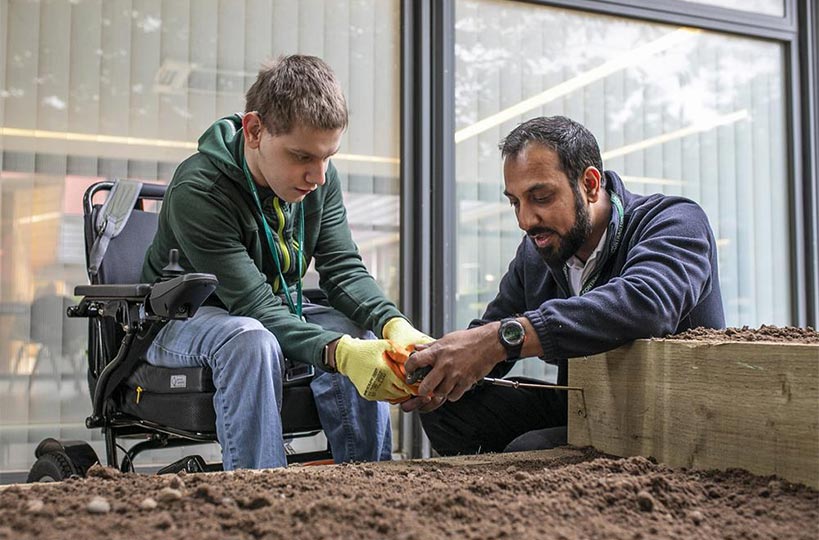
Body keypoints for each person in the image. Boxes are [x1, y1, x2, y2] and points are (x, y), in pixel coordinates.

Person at [141, 55, 431, 470]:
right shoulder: (199, 190)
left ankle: (368, 484)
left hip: (269, 311)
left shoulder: (320, 181)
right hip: (181, 319)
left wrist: (393, 325)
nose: (318, 175)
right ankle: (262, 497)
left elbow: (343, 269)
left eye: (327, 157)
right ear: (255, 130)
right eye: (302, 157)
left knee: (358, 332)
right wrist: (340, 355)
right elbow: (253, 308)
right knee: (249, 340)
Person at [403, 115, 725, 455]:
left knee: (528, 449)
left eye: (540, 197)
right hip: (590, 408)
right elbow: (490, 337)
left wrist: (502, 339)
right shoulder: (538, 251)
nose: (525, 220)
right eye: (515, 202)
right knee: (449, 408)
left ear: (589, 184)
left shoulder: (675, 222)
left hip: (675, 421)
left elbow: (646, 303)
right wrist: (432, 369)